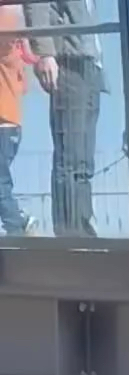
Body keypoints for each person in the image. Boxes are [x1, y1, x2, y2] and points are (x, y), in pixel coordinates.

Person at [26, 0, 104, 236]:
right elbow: (35, 6)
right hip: (68, 62)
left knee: (84, 158)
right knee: (69, 155)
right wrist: (45, 54)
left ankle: (83, 222)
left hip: (90, 65)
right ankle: (69, 230)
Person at [0, 3, 37, 235]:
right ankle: (18, 221)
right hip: (9, 122)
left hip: (4, 123)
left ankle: (16, 226)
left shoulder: (7, 20)